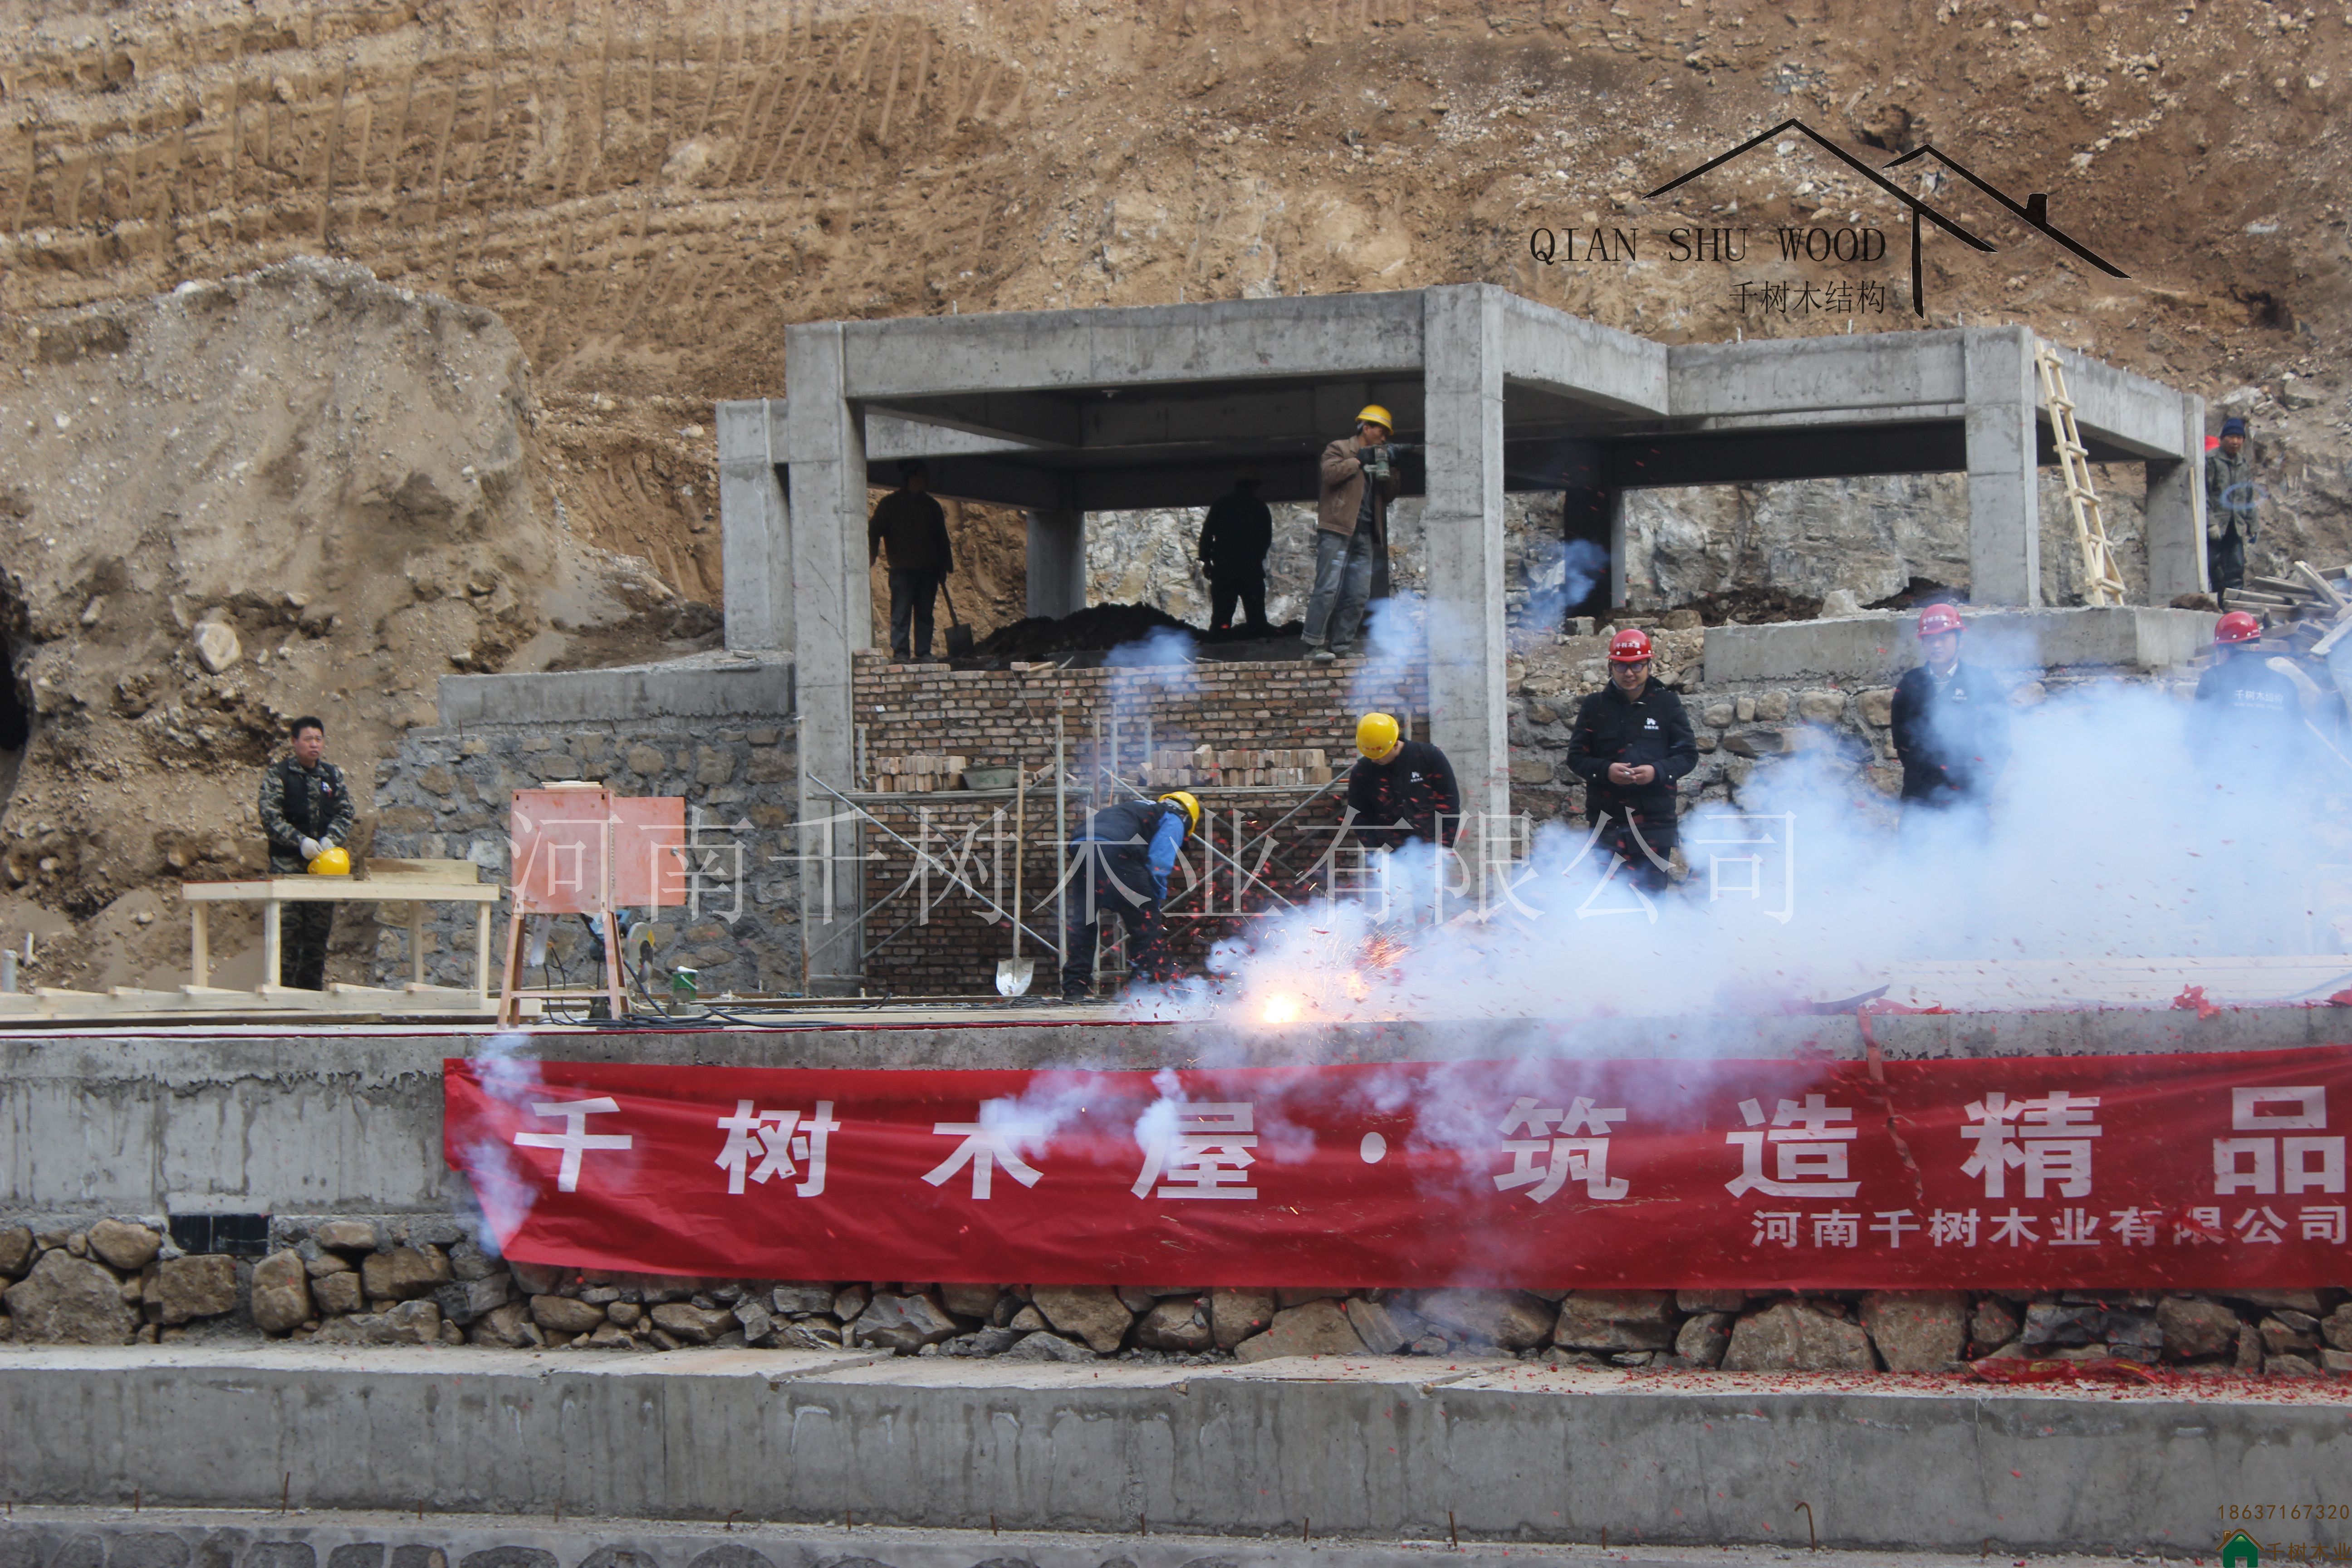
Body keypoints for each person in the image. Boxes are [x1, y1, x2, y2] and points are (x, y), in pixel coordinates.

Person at [1566, 628, 1698, 893]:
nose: (1629, 673)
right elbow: (1576, 758)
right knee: (1610, 898)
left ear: (1649, 665)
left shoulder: (1667, 704)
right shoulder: (1595, 706)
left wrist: (1656, 772)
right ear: (1610, 667)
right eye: (1621, 666)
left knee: (1651, 899)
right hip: (1608, 823)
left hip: (1654, 824)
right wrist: (1606, 771)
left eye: (1637, 665)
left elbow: (1687, 755)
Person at [1060, 791, 1199, 1000]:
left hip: (1082, 843)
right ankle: (1140, 992)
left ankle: (1074, 990)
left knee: (1085, 921)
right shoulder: (1174, 817)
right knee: (1147, 926)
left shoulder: (1137, 808)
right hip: (1115, 847)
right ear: (1188, 818)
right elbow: (1159, 863)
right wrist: (1153, 902)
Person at [258, 715, 355, 990]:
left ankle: (312, 997)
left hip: (324, 870)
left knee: (317, 937)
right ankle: (283, 996)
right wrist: (300, 841)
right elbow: (270, 817)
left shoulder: (332, 776)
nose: (315, 745)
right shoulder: (279, 775)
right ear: (294, 742)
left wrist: (332, 838)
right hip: (287, 868)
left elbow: (345, 812)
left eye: (319, 739)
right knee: (286, 937)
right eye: (309, 739)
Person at [1890, 602, 2012, 818]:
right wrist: (1921, 770)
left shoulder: (1982, 682)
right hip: (1919, 800)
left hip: (1968, 800)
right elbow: (1901, 742)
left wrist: (1981, 785)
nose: (1936, 645)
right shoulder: (1910, 683)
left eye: (1943, 638)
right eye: (1930, 639)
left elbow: (1999, 741)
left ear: (1960, 641)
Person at [1305, 406, 1401, 662]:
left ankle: (1341, 645)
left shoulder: (1380, 456)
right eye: (1382, 431)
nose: (1384, 438)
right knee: (1328, 588)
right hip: (1337, 529)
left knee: (1358, 594)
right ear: (1366, 427)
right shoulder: (1339, 448)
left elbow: (1389, 496)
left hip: (1365, 533)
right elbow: (1329, 475)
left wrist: (1392, 468)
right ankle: (1313, 645)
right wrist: (1359, 460)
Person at [2195, 609, 2305, 782]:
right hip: (2273, 784)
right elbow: (2299, 742)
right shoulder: (2285, 684)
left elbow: (2195, 733)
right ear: (2257, 647)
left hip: (2223, 783)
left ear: (2224, 650)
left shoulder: (2214, 677)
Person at [867, 459, 953, 662]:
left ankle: (923, 652)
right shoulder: (890, 505)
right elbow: (874, 530)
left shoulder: (932, 507)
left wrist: (945, 566)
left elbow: (942, 538)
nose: (925, 480)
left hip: (928, 570)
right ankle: (901, 653)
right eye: (922, 476)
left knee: (925, 614)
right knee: (901, 613)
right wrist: (872, 554)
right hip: (902, 570)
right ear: (911, 478)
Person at [1344, 711, 1461, 850]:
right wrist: (1375, 849)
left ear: (1395, 744)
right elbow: (1359, 816)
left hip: (1431, 848)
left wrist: (1446, 846)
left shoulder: (1429, 756)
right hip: (1389, 851)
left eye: (1380, 755)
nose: (1374, 760)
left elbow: (1449, 803)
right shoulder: (1362, 771)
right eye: (1371, 756)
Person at [1198, 476, 1274, 635]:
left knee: (1221, 618)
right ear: (1253, 487)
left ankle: (1218, 643)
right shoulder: (1259, 506)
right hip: (1251, 570)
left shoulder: (1221, 505)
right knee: (1256, 618)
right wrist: (1257, 557)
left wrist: (1207, 561)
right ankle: (1259, 645)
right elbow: (1266, 538)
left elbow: (1207, 534)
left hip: (1224, 569)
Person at [2205, 416, 2257, 602]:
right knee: (2214, 569)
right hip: (2217, 526)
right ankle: (2217, 605)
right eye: (2231, 437)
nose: (2235, 442)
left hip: (2236, 525)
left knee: (2236, 568)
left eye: (2239, 438)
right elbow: (2204, 494)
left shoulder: (2244, 465)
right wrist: (2210, 523)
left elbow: (2248, 497)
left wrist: (2253, 525)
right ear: (2222, 439)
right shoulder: (2211, 461)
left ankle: (2234, 607)